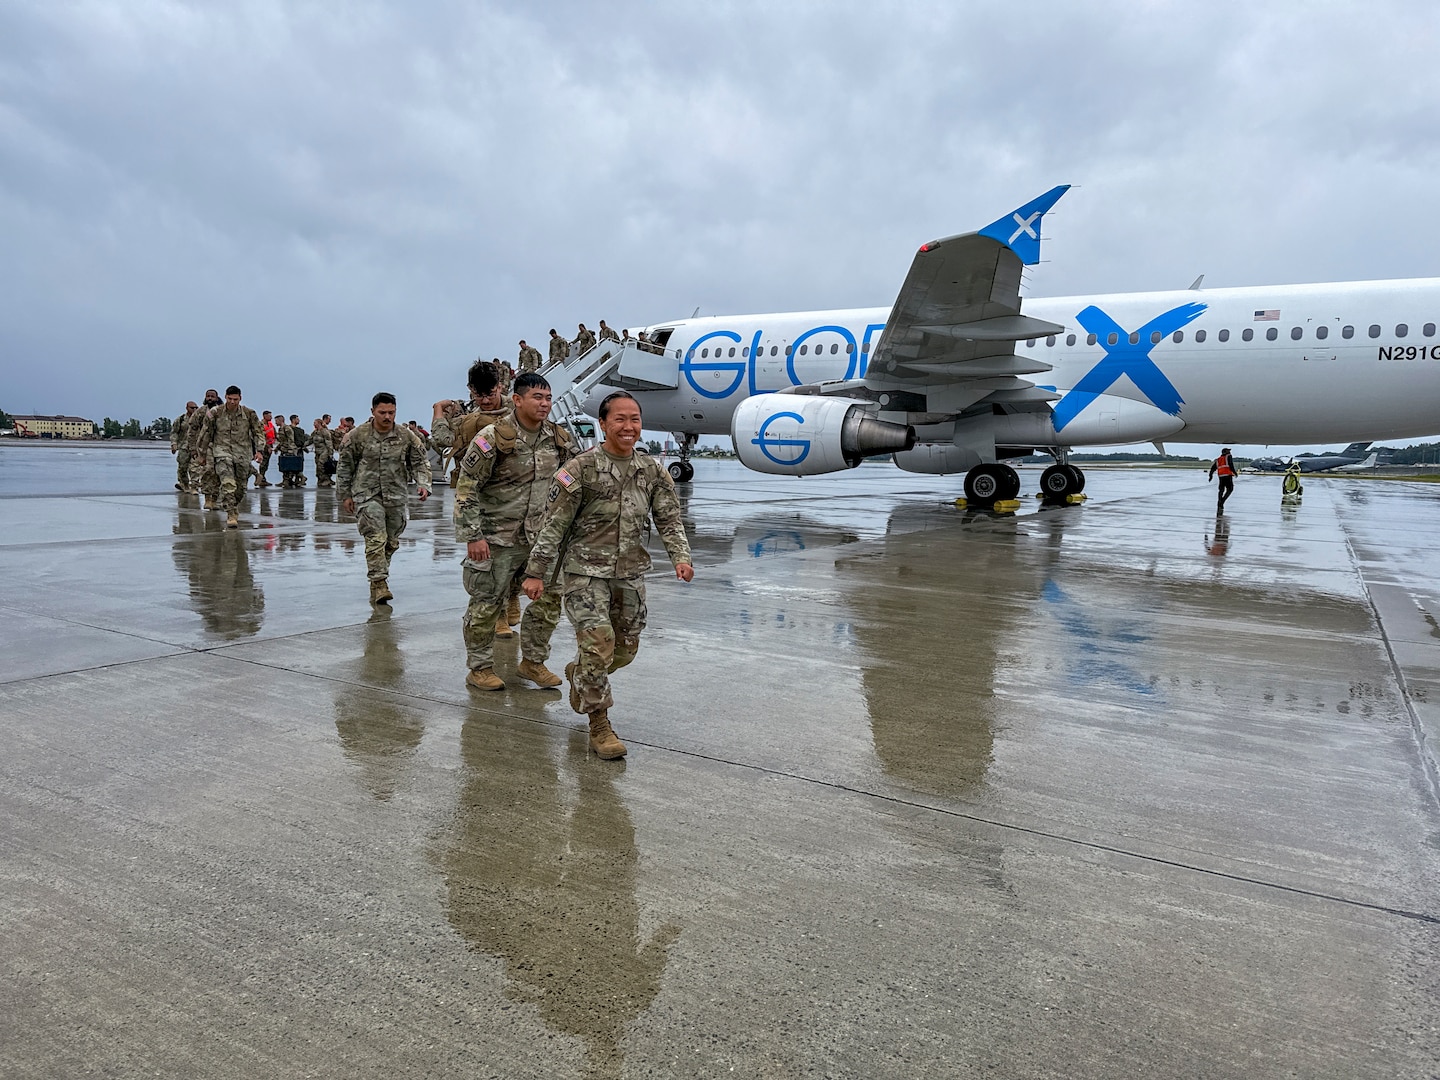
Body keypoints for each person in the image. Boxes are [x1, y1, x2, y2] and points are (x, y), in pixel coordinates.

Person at [523, 391, 694, 759]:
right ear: (603, 424)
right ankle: (600, 726)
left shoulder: (652, 470)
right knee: (598, 645)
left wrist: (681, 557)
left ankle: (581, 674)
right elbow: (553, 525)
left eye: (634, 419)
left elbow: (668, 519)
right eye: (620, 419)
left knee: (625, 649)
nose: (628, 426)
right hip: (584, 573)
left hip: (630, 573)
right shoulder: (579, 470)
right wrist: (536, 573)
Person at [454, 372, 578, 692]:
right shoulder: (493, 437)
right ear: (518, 399)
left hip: (541, 538)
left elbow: (573, 483)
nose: (545, 404)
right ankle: (479, 667)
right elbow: (467, 487)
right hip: (496, 537)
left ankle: (532, 662)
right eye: (537, 397)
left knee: (550, 598)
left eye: (549, 398)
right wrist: (473, 535)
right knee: (486, 603)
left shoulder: (559, 438)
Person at [432, 361, 524, 636]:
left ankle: (512, 596)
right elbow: (443, 441)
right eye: (478, 395)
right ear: (470, 390)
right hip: (483, 498)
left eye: (490, 394)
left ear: (501, 387)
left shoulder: (518, 411)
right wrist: (438, 412)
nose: (484, 400)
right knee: (491, 563)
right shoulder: (468, 419)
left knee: (521, 558)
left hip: (519, 496)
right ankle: (499, 617)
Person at [337, 392, 432, 604]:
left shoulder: (406, 436)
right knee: (375, 538)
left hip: (396, 495)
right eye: (382, 413)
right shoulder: (357, 435)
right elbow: (344, 466)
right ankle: (380, 583)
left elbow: (419, 461)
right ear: (373, 412)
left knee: (391, 541)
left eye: (391, 412)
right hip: (366, 494)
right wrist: (345, 495)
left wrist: (423, 484)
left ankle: (378, 574)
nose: (387, 417)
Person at [197, 385, 264, 528]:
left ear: (240, 398)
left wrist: (259, 450)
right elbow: (205, 433)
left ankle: (233, 505)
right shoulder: (215, 413)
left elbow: (258, 432)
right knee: (228, 483)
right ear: (225, 397)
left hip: (242, 454)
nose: (232, 402)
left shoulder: (249, 413)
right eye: (230, 399)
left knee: (240, 488)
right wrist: (201, 453)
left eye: (235, 399)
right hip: (222, 452)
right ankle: (231, 513)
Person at [185, 389, 222, 499]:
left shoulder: (222, 411)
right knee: (207, 470)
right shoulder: (200, 412)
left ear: (217, 398)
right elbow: (192, 430)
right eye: (208, 396)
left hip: (220, 446)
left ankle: (216, 497)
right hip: (204, 446)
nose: (210, 398)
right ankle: (207, 496)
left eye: (212, 396)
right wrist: (192, 448)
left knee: (219, 472)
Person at [170, 401, 198, 490]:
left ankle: (194, 486)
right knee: (182, 467)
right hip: (183, 447)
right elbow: (174, 432)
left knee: (195, 468)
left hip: (195, 447)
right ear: (187, 408)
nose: (194, 410)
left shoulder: (199, 419)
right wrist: (174, 444)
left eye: (196, 408)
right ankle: (184, 484)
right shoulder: (181, 419)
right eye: (192, 408)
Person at [1208, 447, 1237, 513]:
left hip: (1221, 476)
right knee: (1230, 489)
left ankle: (1219, 502)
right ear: (1226, 452)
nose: (1230, 452)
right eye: (1229, 451)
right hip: (1227, 475)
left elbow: (1213, 468)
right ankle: (1222, 501)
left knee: (1221, 490)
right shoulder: (1228, 456)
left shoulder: (1218, 459)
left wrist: (1210, 476)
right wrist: (1234, 472)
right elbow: (1230, 464)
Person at [311, 417, 336, 487]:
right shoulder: (315, 432)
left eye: (315, 422)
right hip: (317, 451)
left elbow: (329, 443)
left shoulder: (325, 432)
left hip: (324, 451)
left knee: (321, 465)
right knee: (318, 466)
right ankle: (320, 479)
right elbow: (310, 440)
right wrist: (303, 446)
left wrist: (330, 453)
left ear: (319, 423)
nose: (313, 424)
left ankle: (326, 480)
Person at [257, 410, 277, 487]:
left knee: (266, 463)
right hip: (263, 446)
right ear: (264, 416)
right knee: (263, 463)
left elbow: (275, 434)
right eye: (269, 416)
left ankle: (263, 478)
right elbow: (260, 436)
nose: (271, 417)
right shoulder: (260, 424)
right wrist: (267, 447)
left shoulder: (270, 424)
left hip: (270, 445)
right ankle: (260, 479)